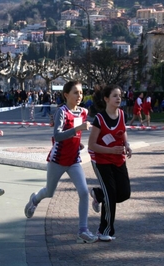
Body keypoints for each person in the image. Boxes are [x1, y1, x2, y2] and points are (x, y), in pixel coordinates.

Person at [24, 81, 98, 244]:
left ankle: (82, 231)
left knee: (84, 192)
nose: (79, 96)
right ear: (66, 95)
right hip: (57, 160)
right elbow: (57, 136)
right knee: (50, 192)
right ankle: (35, 199)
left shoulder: (84, 112)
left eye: (81, 92)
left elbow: (76, 134)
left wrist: (78, 143)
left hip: (74, 160)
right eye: (75, 93)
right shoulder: (62, 112)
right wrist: (77, 131)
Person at [87, 84, 132, 242]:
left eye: (120, 95)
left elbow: (123, 132)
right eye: (115, 95)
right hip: (101, 161)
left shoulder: (122, 114)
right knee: (111, 195)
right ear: (106, 99)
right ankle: (104, 231)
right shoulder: (99, 119)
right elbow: (92, 145)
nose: (118, 98)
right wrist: (110, 151)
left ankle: (99, 194)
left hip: (118, 160)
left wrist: (127, 145)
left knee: (124, 193)